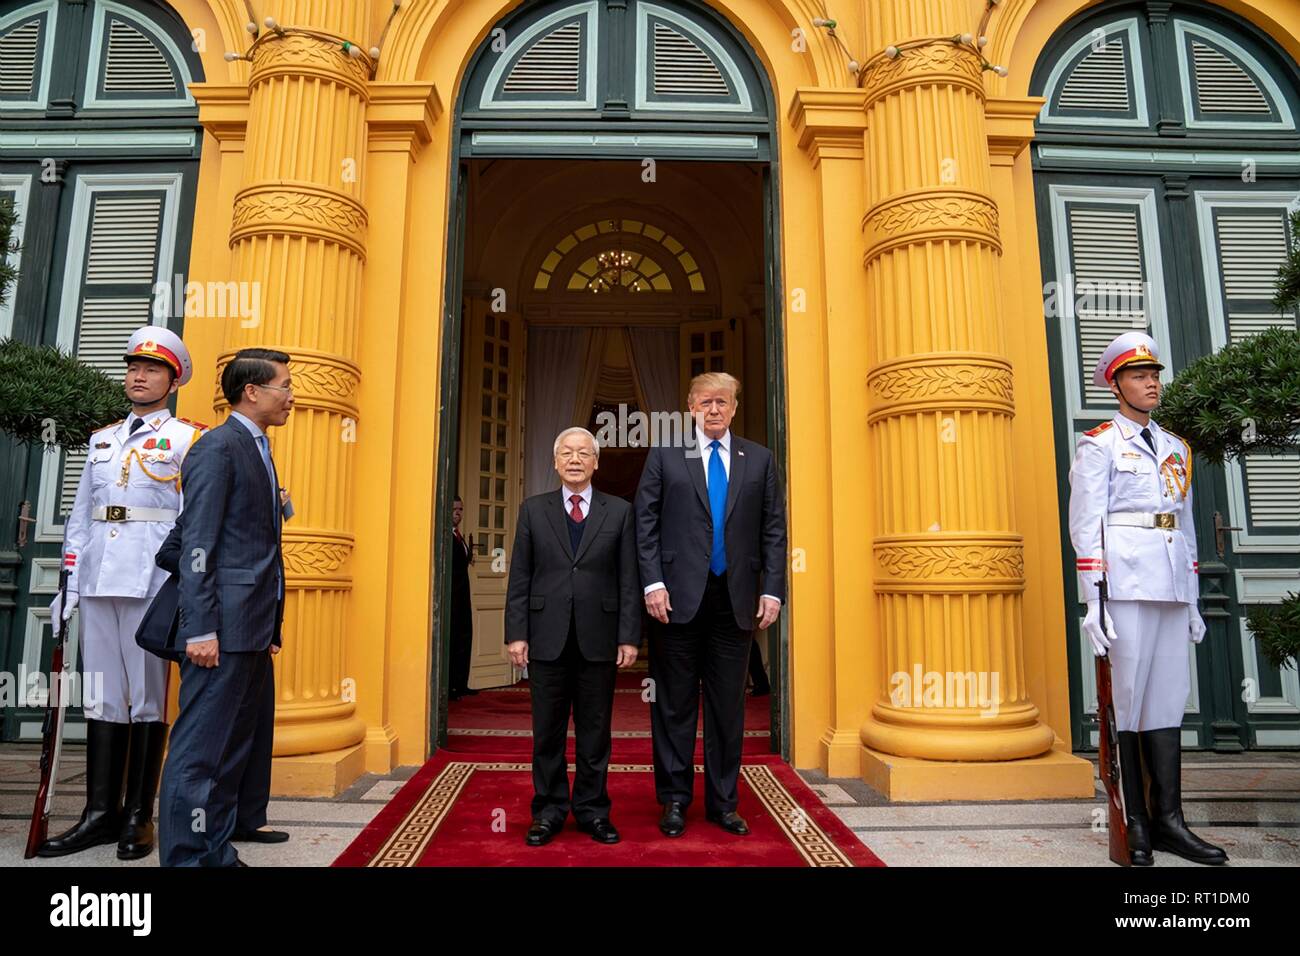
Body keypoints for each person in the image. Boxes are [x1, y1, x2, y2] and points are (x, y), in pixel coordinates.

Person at [40, 326, 204, 861]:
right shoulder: (102, 439)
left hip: (150, 582)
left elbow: (191, 520)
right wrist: (68, 584)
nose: (138, 375)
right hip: (99, 577)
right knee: (104, 697)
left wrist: (185, 589)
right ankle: (99, 814)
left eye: (151, 369)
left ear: (172, 378)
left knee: (148, 699)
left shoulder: (188, 438)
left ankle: (139, 815)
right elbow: (82, 515)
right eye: (133, 367)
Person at [1068, 330, 1227, 866]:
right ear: (1117, 386)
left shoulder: (1176, 446)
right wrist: (1094, 600)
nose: (1151, 383)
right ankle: (1133, 821)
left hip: (1168, 586)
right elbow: (1086, 526)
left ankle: (1170, 822)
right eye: (1139, 376)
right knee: (1129, 704)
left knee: (1167, 700)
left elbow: (1183, 525)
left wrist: (1193, 598)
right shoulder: (1098, 444)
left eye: (1155, 375)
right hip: (1127, 585)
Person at [635, 372, 787, 838]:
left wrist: (772, 589)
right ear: (690, 406)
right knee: (674, 706)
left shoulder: (759, 460)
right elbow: (645, 524)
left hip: (735, 601)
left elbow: (774, 530)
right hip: (675, 601)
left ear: (735, 408)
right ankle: (675, 801)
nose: (714, 409)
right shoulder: (665, 456)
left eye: (723, 402)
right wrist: (653, 583)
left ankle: (724, 802)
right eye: (705, 402)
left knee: (727, 708)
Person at [157, 348, 293, 867]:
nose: (291, 395)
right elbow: (197, 548)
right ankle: (188, 859)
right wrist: (200, 630)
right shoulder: (218, 448)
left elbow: (258, 550)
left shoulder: (258, 446)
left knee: (231, 752)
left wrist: (270, 623)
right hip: (220, 630)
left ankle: (215, 851)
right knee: (198, 754)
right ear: (252, 392)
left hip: (252, 629)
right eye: (283, 385)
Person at [504, 427, 640, 846]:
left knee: (595, 732)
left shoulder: (619, 511)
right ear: (556, 461)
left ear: (596, 462)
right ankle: (547, 811)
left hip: (599, 638)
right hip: (545, 638)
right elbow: (520, 575)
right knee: (547, 732)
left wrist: (629, 636)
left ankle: (593, 811)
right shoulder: (533, 510)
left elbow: (629, 578)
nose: (575, 459)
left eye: (584, 453)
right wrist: (516, 634)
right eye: (567, 453)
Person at [449, 495, 477, 700]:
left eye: (460, 509)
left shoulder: (460, 535)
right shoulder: (445, 537)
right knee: (453, 639)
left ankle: (461, 683)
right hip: (451, 596)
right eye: (454, 509)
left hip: (463, 594)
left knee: (464, 637)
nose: (458, 513)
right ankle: (450, 686)